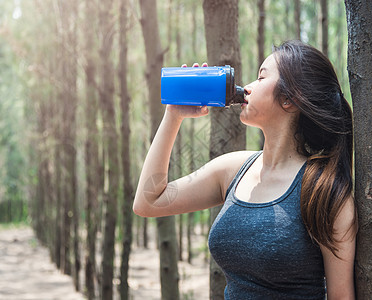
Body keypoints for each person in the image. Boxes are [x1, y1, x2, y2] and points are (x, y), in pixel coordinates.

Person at [133, 40, 357, 300]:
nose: (247, 87)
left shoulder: (324, 191)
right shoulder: (233, 169)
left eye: (261, 77)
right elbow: (148, 201)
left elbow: (341, 296)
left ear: (289, 99)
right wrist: (173, 114)